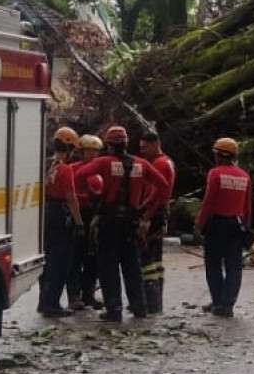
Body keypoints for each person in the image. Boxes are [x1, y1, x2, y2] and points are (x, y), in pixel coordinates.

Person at [74, 124, 172, 322]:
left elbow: (79, 176)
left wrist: (95, 195)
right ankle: (139, 308)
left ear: (109, 145)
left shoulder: (103, 162)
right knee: (132, 266)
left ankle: (114, 309)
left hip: (109, 221)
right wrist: (147, 207)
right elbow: (163, 186)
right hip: (131, 221)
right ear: (127, 143)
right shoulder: (141, 164)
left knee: (108, 266)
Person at [195, 137, 253, 318]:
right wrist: (246, 226)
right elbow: (247, 206)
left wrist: (199, 224)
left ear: (219, 155)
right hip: (236, 225)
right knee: (234, 266)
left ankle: (219, 301)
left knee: (213, 265)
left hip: (216, 224)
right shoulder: (244, 176)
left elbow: (208, 202)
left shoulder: (215, 173)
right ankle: (227, 304)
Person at [38, 126, 82, 317]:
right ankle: (52, 304)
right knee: (60, 262)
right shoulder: (65, 169)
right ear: (70, 148)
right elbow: (71, 197)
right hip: (60, 215)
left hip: (44, 214)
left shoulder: (45, 165)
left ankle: (43, 301)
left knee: (47, 262)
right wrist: (79, 222)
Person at [137, 129, 176, 316]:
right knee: (156, 260)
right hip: (160, 213)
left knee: (147, 260)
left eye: (145, 147)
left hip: (153, 214)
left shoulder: (159, 164)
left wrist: (145, 217)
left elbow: (156, 194)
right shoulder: (167, 161)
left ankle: (149, 302)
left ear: (155, 144)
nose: (142, 151)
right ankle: (156, 301)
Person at [69, 134, 105, 311]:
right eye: (88, 151)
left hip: (96, 216)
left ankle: (88, 294)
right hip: (79, 214)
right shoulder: (73, 169)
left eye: (94, 152)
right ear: (81, 152)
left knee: (93, 257)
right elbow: (70, 194)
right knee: (75, 257)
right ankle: (74, 296)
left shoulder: (101, 171)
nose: (91, 155)